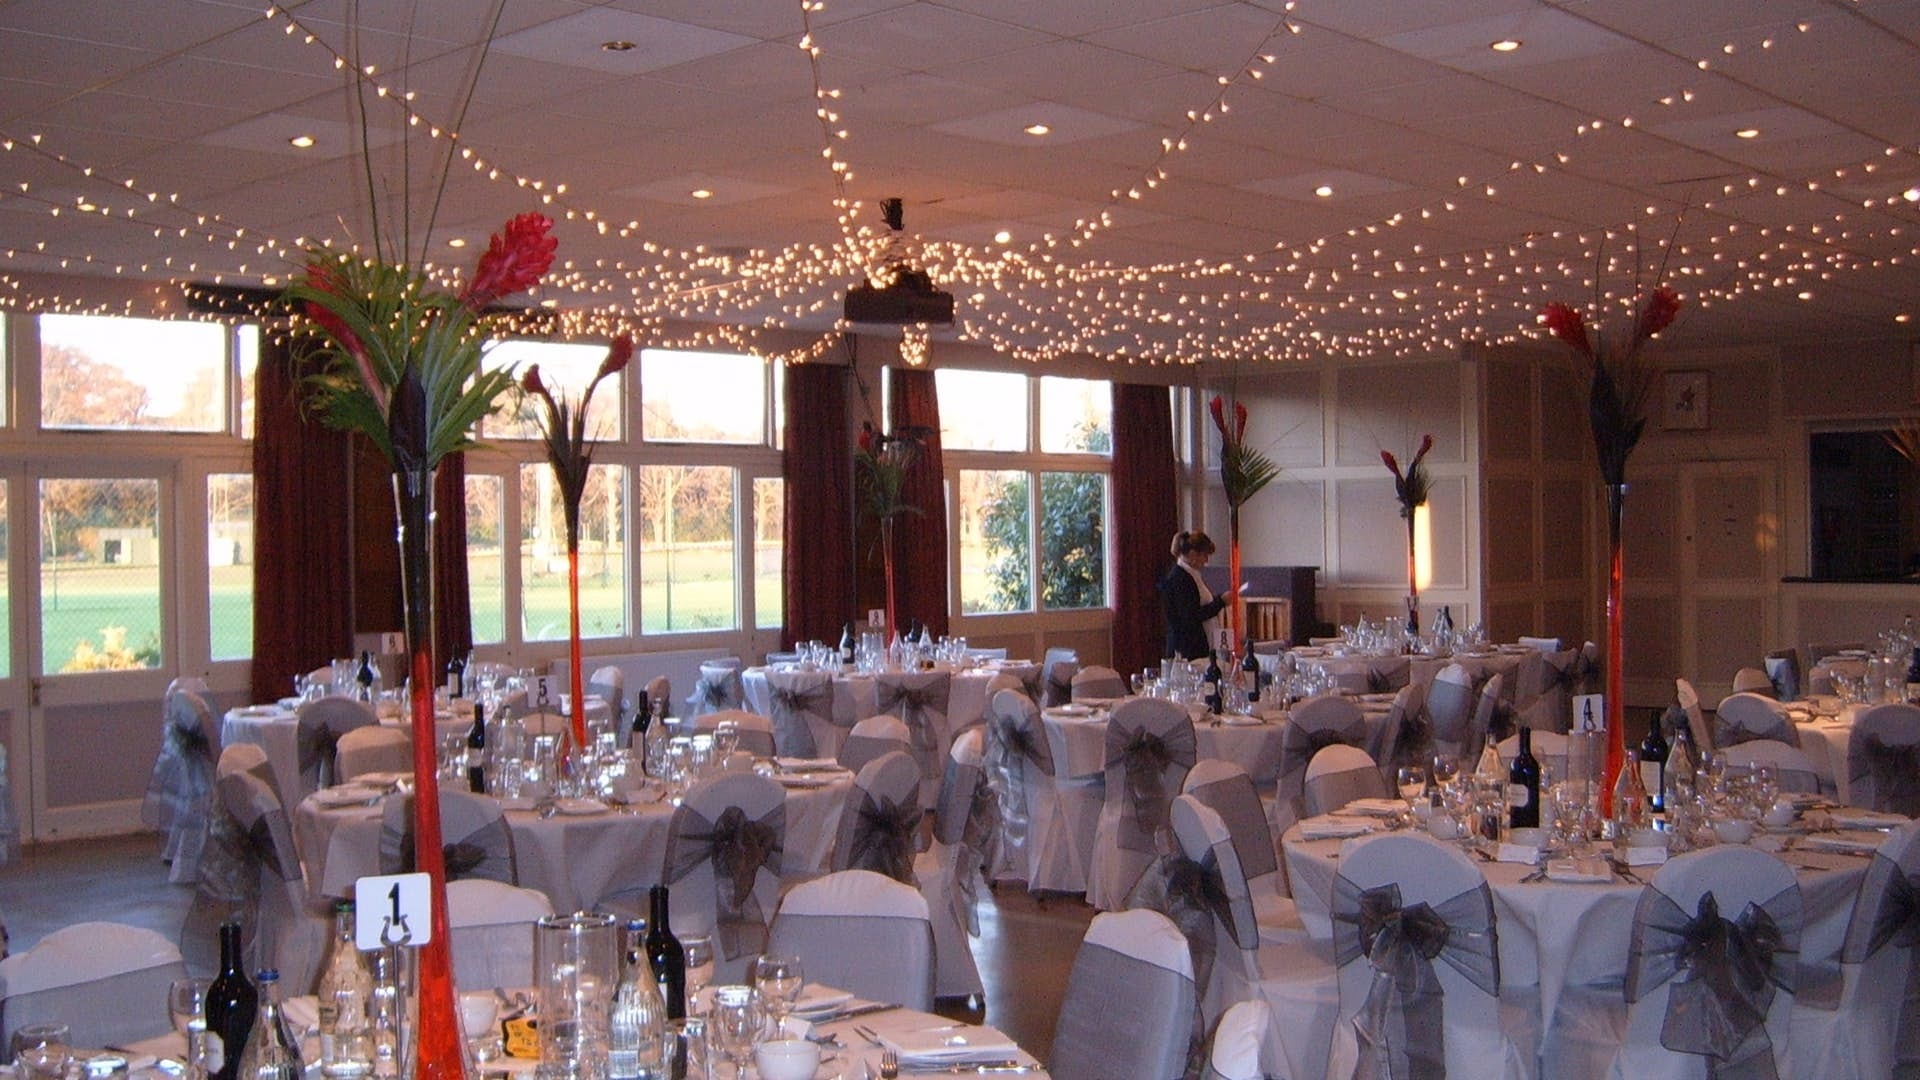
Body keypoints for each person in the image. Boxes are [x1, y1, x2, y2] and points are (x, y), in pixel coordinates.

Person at [1158, 530, 1242, 660]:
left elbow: (1196, 605)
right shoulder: (1180, 579)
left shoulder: (1190, 575)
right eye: (1204, 555)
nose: (1206, 560)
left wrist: (1219, 600)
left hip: (1194, 645)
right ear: (1192, 554)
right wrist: (1220, 602)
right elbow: (1192, 615)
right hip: (1188, 648)